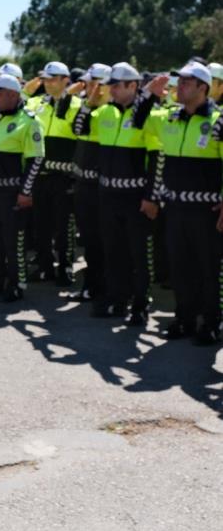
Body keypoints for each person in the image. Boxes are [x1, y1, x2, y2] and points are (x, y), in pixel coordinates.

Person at [73, 62, 162, 324]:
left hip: (135, 197)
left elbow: (158, 158)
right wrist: (89, 101)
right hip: (108, 194)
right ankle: (116, 299)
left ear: (132, 85)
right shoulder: (105, 113)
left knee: (138, 254)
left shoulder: (149, 116)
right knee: (113, 251)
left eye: (115, 85)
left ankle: (140, 304)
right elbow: (80, 128)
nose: (109, 90)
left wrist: (151, 196)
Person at [144, 63, 222, 344]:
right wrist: (149, 93)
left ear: (203, 88)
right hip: (175, 209)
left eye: (186, 83)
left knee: (209, 268)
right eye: (178, 82)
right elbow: (139, 119)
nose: (179, 87)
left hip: (207, 210)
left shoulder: (218, 121)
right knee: (180, 267)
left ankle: (212, 323)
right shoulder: (170, 119)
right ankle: (184, 318)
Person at [0, 74, 44, 301]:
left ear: (13, 95)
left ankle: (16, 283)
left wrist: (25, 191)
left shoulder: (28, 121)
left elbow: (36, 159)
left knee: (13, 242)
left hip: (10, 192)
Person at [27, 61, 81, 285]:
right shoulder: (37, 103)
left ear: (65, 80)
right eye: (45, 79)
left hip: (64, 176)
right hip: (40, 175)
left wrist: (66, 99)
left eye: (52, 79)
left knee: (64, 226)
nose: (47, 83)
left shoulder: (77, 105)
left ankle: (65, 267)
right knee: (41, 224)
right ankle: (44, 266)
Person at [70, 63, 111, 303]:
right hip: (84, 184)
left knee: (104, 242)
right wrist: (88, 103)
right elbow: (77, 129)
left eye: (93, 83)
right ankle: (92, 286)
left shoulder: (110, 112)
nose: (88, 87)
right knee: (90, 241)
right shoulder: (89, 109)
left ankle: (104, 289)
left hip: (102, 186)